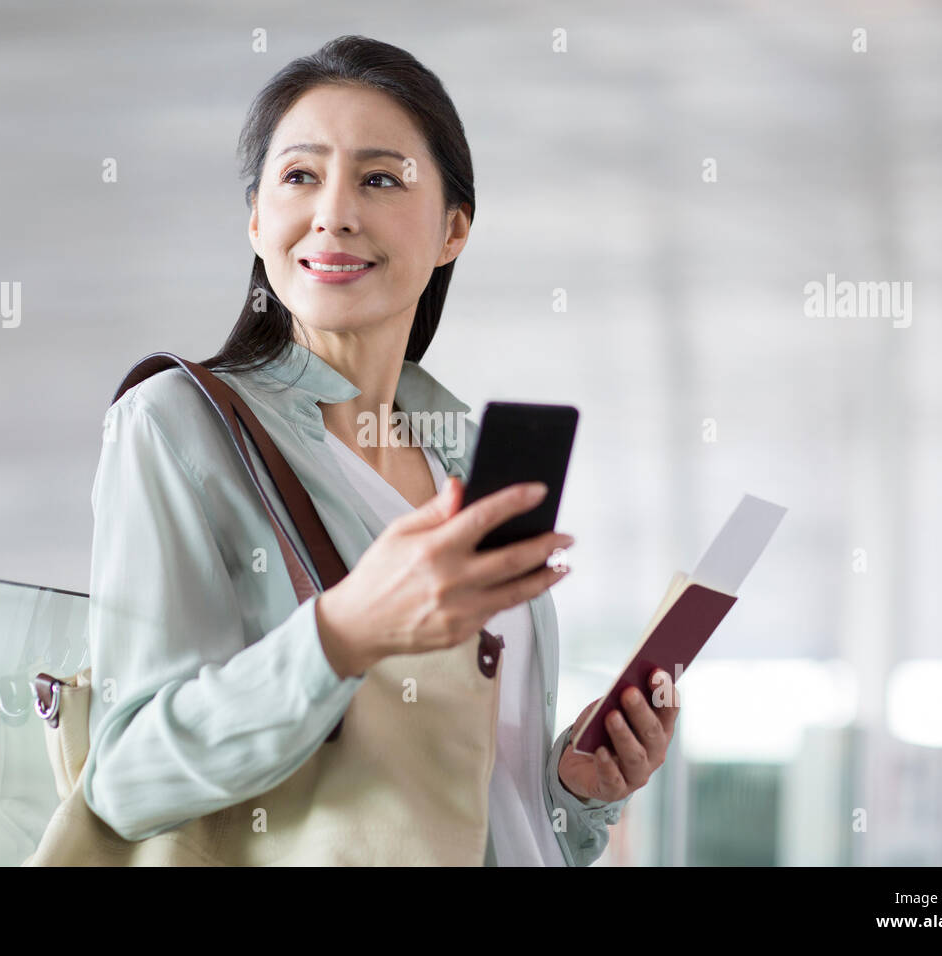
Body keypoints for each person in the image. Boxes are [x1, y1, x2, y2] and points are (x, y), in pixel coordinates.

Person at [80, 34, 679, 867]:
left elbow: (476, 812)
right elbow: (128, 776)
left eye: (380, 178)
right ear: (257, 219)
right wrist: (343, 632)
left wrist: (574, 794)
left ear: (452, 230)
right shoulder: (177, 425)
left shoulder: (464, 457)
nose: (333, 212)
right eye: (299, 176)